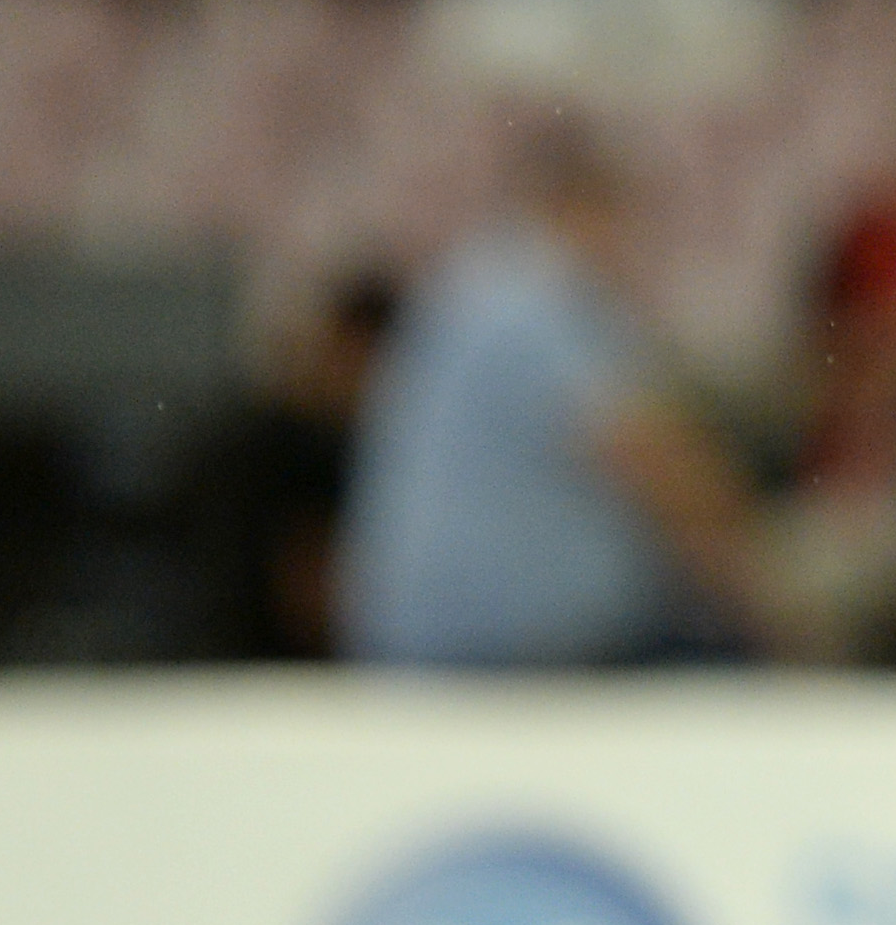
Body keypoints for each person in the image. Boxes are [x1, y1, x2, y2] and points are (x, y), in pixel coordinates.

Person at [338, 117, 819, 666]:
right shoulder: (536, 298)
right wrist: (776, 604)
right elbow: (658, 465)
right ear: (589, 207)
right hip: (497, 659)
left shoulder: (476, 285)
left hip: (454, 647)